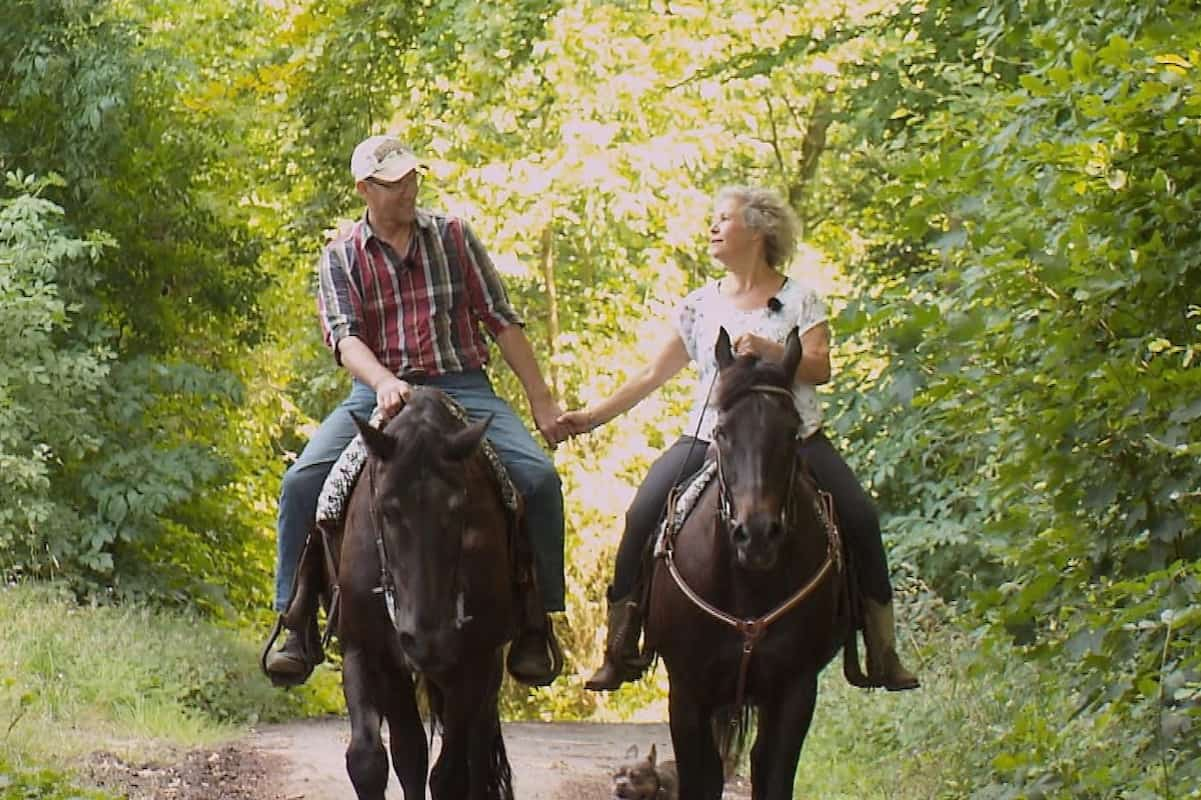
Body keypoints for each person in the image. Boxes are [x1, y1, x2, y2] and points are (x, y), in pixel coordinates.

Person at [557, 185, 920, 692]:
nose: (713, 228)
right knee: (642, 514)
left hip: (792, 439)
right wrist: (592, 417)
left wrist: (772, 350)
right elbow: (650, 375)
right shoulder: (700, 305)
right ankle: (622, 644)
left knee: (859, 516)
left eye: (723, 219)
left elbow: (820, 367)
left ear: (758, 229)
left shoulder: (800, 298)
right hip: (711, 437)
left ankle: (882, 650)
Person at [263, 134, 567, 687]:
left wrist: (542, 402)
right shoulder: (341, 256)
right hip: (380, 390)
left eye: (410, 178)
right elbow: (345, 339)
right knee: (304, 484)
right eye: (393, 182)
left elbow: (500, 320)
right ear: (364, 190)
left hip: (463, 384)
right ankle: (297, 619)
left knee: (540, 480)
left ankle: (536, 622)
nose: (408, 189)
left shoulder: (452, 236)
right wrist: (381, 382)